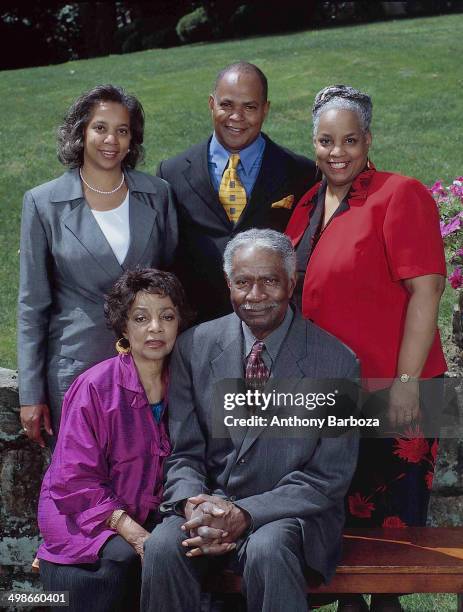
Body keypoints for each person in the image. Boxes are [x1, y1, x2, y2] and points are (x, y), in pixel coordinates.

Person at [285, 85, 447, 612]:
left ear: (368, 140)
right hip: (330, 395)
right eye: (327, 140)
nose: (338, 152)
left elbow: (426, 290)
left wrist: (405, 382)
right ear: (313, 142)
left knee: (389, 551)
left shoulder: (399, 194)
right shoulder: (305, 204)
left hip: (393, 390)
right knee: (347, 541)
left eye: (350, 140)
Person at [141, 229, 360, 612]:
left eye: (269, 281)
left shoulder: (337, 363)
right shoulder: (194, 347)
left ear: (291, 284)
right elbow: (184, 454)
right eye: (243, 282)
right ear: (228, 284)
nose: (255, 296)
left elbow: (328, 477)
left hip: (290, 517)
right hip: (211, 505)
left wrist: (245, 514)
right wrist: (195, 507)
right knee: (162, 545)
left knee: (267, 548)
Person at [18, 84, 178, 447]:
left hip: (148, 367)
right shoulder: (42, 204)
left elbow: (169, 282)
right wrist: (31, 392)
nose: (112, 140)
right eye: (100, 128)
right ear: (80, 132)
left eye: (122, 130)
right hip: (76, 366)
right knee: (85, 486)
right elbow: (32, 304)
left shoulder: (158, 194)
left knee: (149, 476)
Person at [37, 268, 191, 612]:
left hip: (149, 513)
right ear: (124, 327)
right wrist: (135, 534)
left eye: (167, 316)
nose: (155, 328)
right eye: (141, 318)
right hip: (82, 514)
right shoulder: (94, 386)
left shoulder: (184, 383)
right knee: (121, 559)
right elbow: (73, 479)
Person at [156, 61, 316, 323]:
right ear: (211, 104)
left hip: (274, 324)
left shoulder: (301, 173)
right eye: (226, 105)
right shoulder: (171, 173)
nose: (236, 117)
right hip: (197, 330)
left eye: (249, 107)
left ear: (265, 109)